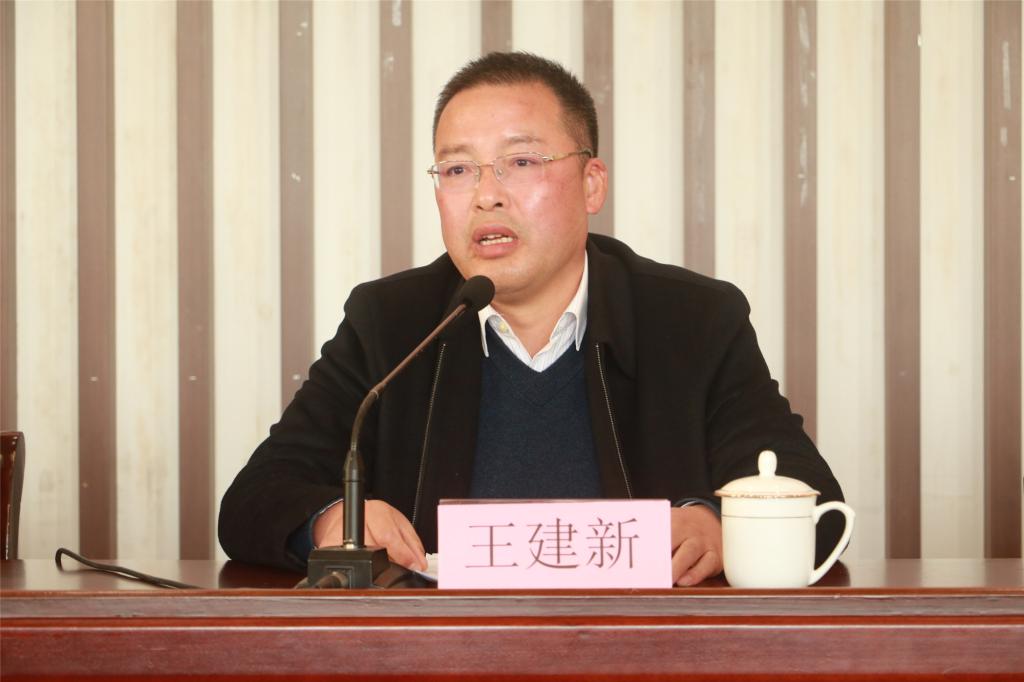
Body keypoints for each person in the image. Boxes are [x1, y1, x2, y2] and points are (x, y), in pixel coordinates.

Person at [218, 52, 845, 586]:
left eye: (520, 162)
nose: (486, 195)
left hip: (642, 657)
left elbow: (810, 495)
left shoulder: (692, 320)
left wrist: (716, 522)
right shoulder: (392, 323)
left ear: (591, 184)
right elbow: (255, 497)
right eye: (457, 170)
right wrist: (334, 519)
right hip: (437, 659)